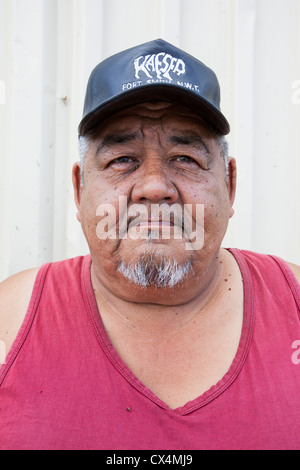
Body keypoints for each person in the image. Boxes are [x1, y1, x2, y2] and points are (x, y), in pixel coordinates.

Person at [0, 39, 299, 451]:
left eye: (185, 159)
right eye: (122, 159)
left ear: (229, 186)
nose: (156, 186)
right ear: (78, 189)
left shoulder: (295, 305)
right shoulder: (9, 325)